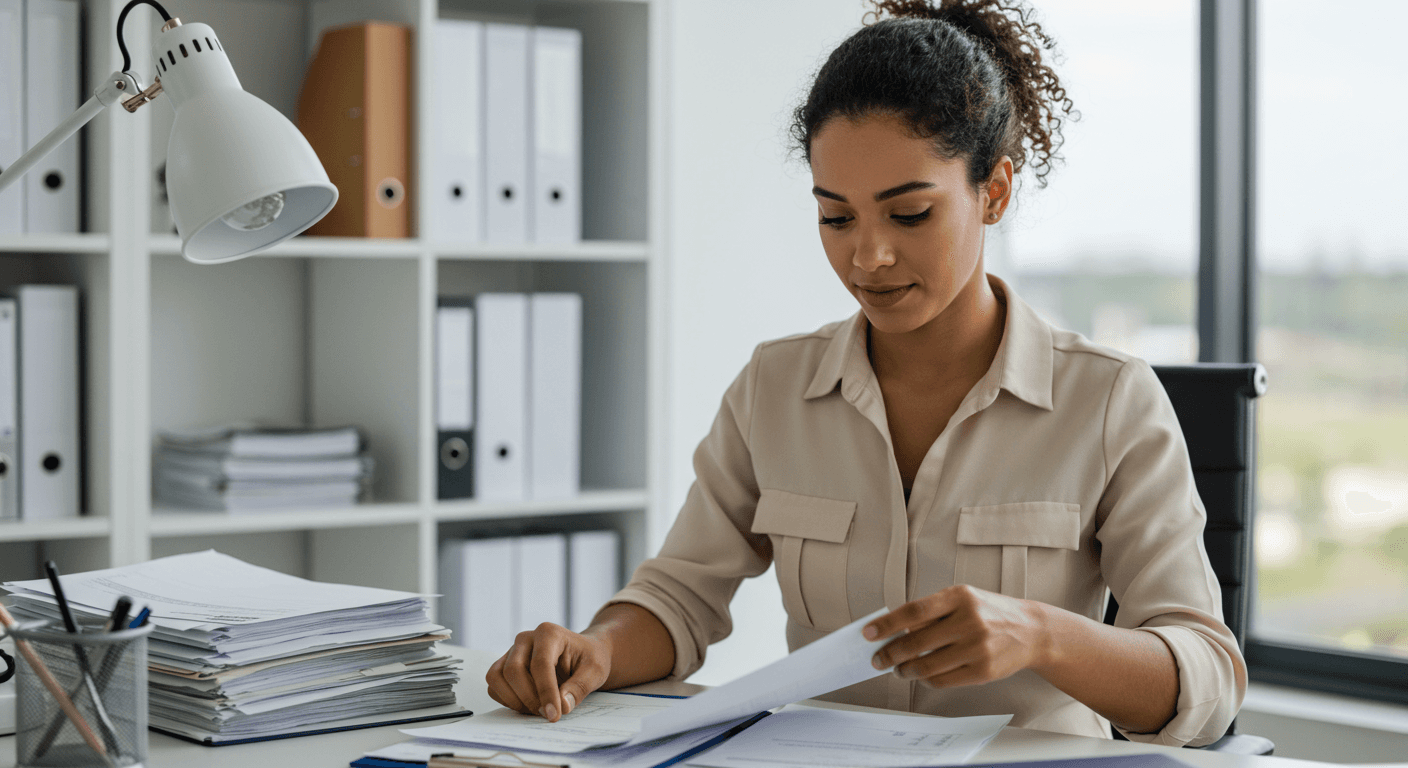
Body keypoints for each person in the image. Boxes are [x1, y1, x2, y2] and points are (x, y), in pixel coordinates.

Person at [486, 0, 1245, 747]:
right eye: (837, 217)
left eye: (909, 215)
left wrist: (1042, 635)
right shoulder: (775, 387)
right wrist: (597, 650)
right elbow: (678, 597)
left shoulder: (1109, 399)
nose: (868, 257)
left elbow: (1205, 682)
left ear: (994, 192)